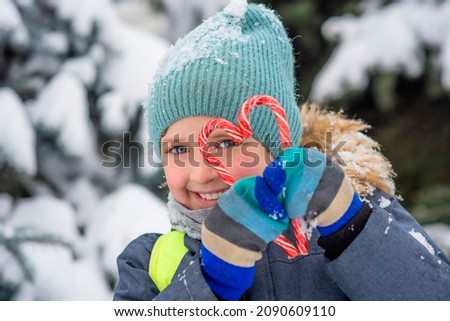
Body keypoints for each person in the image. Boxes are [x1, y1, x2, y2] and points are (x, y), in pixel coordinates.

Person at [113, 0, 450, 301]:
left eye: (226, 143)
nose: (201, 172)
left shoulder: (357, 214)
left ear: (279, 144)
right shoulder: (149, 264)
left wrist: (351, 229)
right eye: (178, 149)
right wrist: (210, 283)